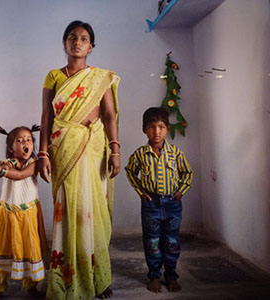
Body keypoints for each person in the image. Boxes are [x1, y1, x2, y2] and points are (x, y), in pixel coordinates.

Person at [38, 20, 121, 300]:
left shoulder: (100, 77)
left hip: (93, 148)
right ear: (65, 43)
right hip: (63, 148)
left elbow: (109, 115)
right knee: (68, 212)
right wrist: (43, 153)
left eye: (83, 38)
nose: (77, 42)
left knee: (93, 212)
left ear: (91, 46)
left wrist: (116, 150)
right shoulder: (53, 76)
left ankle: (99, 278)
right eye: (72, 37)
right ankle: (66, 279)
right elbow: (46, 118)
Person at [125, 107, 193, 293]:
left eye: (161, 127)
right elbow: (130, 171)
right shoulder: (140, 154)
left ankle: (171, 275)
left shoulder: (175, 153)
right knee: (152, 241)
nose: (157, 131)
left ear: (167, 129)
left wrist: (181, 191)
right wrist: (140, 191)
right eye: (152, 127)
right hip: (151, 205)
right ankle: (154, 275)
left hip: (172, 204)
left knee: (171, 241)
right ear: (144, 129)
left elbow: (187, 172)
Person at [0, 125, 48, 297]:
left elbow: (19, 175)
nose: (25, 143)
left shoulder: (34, 164)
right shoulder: (8, 163)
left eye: (28, 140)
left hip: (27, 215)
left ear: (33, 145)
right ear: (11, 148)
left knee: (30, 248)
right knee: (3, 249)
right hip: (7, 214)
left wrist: (2, 171)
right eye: (19, 141)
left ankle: (30, 285)